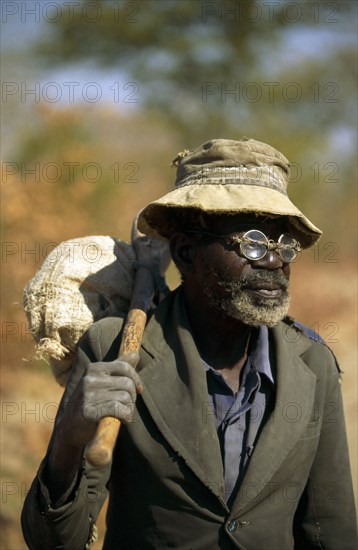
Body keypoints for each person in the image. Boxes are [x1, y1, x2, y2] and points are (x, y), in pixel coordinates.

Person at [21, 138, 357, 549]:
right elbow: (54, 540)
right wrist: (68, 438)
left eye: (284, 244)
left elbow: (330, 528)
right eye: (252, 242)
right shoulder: (116, 349)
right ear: (186, 251)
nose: (274, 262)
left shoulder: (313, 362)